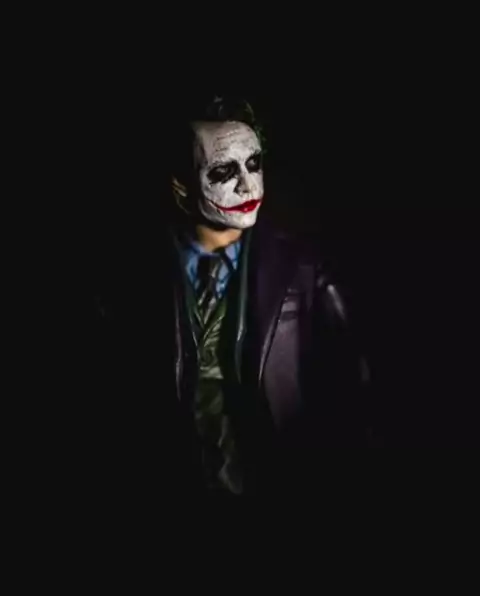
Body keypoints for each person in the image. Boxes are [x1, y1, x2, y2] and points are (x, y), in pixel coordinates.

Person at [90, 95, 372, 497]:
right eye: (223, 171)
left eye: (254, 163)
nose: (247, 184)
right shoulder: (130, 280)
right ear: (180, 186)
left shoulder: (303, 268)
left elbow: (353, 386)